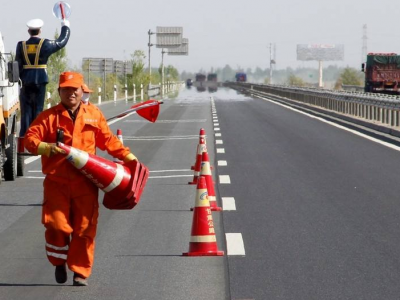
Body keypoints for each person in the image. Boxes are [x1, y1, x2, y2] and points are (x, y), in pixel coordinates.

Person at [24, 71, 137, 286]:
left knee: (85, 228)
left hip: (86, 183)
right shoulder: (49, 117)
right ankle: (59, 261)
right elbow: (29, 139)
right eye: (66, 89)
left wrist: (130, 158)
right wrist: (45, 148)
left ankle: (80, 272)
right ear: (59, 92)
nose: (71, 93)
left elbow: (109, 141)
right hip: (57, 183)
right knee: (57, 226)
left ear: (82, 91)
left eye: (74, 89)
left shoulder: (93, 114)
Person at [16, 18, 71, 138]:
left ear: (29, 31)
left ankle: (24, 135)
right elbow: (61, 42)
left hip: (25, 81)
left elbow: (18, 64)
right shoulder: (45, 44)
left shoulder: (21, 45)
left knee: (26, 110)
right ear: (40, 30)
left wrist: (21, 78)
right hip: (40, 80)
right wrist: (65, 25)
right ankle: (37, 135)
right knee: (38, 109)